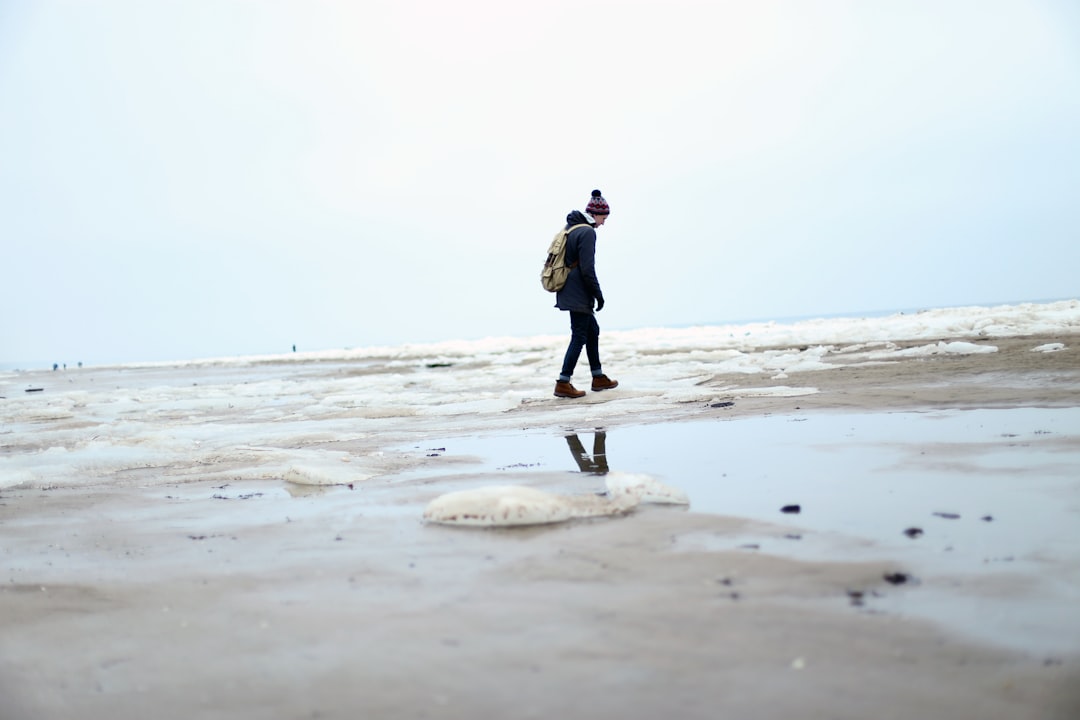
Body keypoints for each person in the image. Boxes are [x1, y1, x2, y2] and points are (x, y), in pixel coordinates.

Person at [553, 189, 619, 399]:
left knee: (592, 330)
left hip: (569, 288)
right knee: (580, 334)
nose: (603, 223)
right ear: (595, 214)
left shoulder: (571, 228)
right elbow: (587, 269)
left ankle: (598, 377)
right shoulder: (588, 232)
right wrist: (598, 294)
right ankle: (563, 382)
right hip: (578, 291)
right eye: (603, 218)